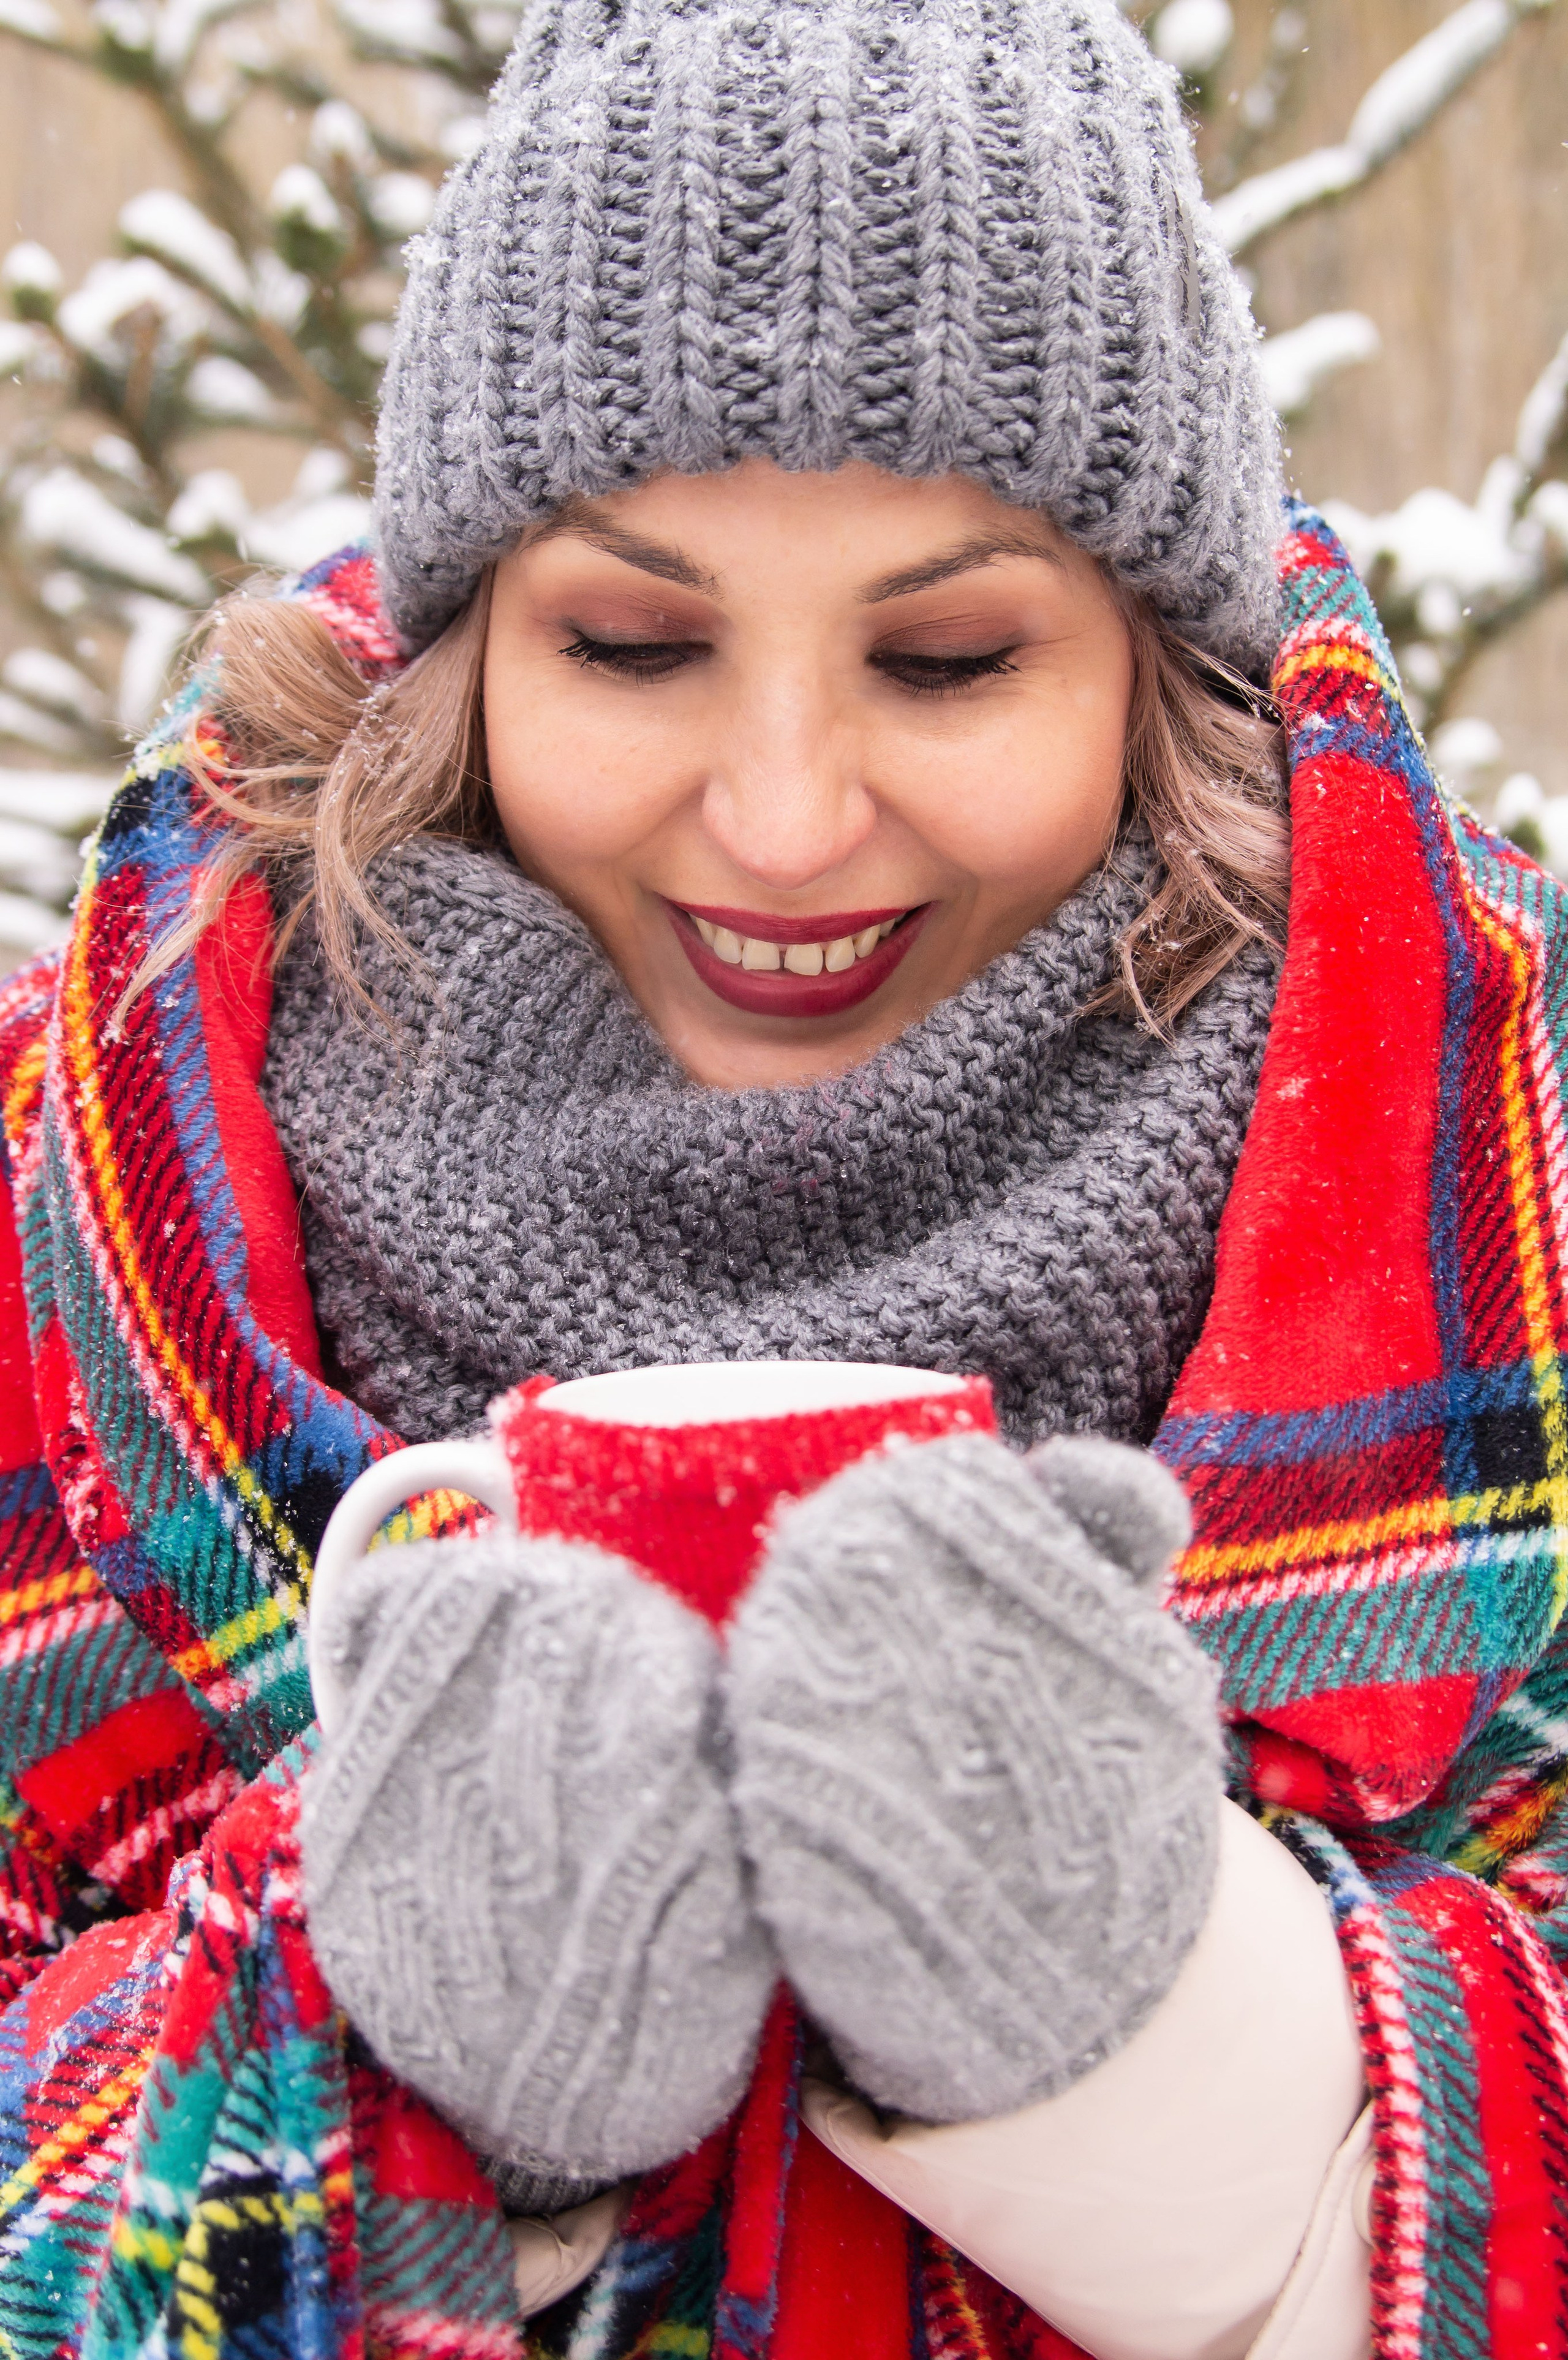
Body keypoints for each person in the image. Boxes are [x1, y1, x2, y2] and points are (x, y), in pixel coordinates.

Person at [0, 2, 1564, 2358]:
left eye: (947, 659)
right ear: (463, 649)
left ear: (1160, 670)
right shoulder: (86, 1172)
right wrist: (372, 2063)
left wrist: (1187, 2051)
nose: (788, 819)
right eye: (634, 642)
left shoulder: (1492, 1158)